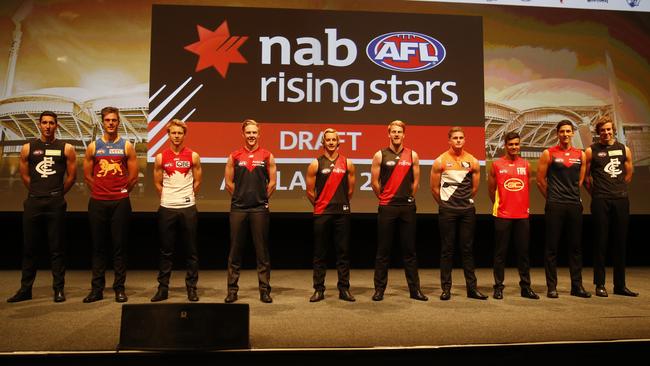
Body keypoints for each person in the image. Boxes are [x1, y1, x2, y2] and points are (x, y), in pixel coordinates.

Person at [7, 111, 77, 303]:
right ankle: (25, 289)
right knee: (29, 248)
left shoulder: (67, 148)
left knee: (57, 248)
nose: (47, 126)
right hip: (34, 202)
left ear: (57, 126)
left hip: (56, 203)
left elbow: (72, 177)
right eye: (44, 123)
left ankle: (58, 290)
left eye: (51, 123)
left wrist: (57, 193)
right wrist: (38, 192)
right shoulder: (28, 148)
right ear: (39, 125)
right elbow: (25, 176)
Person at [82, 106, 138, 303]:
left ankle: (119, 288)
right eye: (108, 120)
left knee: (119, 247)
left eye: (114, 120)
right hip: (97, 202)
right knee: (98, 247)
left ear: (118, 122)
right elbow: (87, 176)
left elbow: (132, 178)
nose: (111, 123)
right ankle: (97, 289)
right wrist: (99, 191)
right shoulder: (93, 147)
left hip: (120, 203)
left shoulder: (127, 146)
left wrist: (120, 192)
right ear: (103, 122)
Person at [370, 120, 427, 302]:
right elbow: (374, 182)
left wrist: (408, 197)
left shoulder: (413, 155)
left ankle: (414, 290)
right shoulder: (380, 155)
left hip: (407, 207)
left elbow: (416, 182)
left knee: (409, 251)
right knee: (383, 251)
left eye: (399, 132)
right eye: (393, 132)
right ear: (389, 134)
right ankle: (379, 290)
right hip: (387, 207)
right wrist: (385, 198)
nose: (396, 135)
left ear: (404, 135)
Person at [431, 126, 487, 301]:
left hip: (466, 212)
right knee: (447, 250)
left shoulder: (473, 161)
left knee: (467, 250)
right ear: (449, 140)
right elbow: (434, 188)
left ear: (464, 140)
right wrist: (446, 204)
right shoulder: (440, 161)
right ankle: (446, 289)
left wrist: (462, 202)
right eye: (455, 138)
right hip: (448, 211)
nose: (458, 140)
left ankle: (472, 289)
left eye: (461, 138)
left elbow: (475, 188)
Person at [224, 119, 276, 304]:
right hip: (238, 208)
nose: (251, 136)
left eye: (254, 132)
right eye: (248, 133)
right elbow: (229, 183)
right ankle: (232, 291)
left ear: (259, 134)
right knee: (235, 252)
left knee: (262, 252)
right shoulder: (234, 156)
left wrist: (261, 199)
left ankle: (264, 290)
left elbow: (272, 183)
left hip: (259, 209)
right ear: (243, 134)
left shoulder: (267, 155)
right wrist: (240, 196)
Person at [536, 120, 590, 298]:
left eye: (568, 131)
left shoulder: (580, 155)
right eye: (562, 132)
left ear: (572, 133)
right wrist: (552, 198)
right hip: (555, 205)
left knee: (575, 247)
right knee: (552, 248)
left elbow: (580, 181)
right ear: (557, 134)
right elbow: (541, 180)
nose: (565, 134)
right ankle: (552, 287)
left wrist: (571, 195)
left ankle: (577, 286)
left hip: (574, 204)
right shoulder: (548, 153)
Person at [585, 118, 638, 297]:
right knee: (600, 242)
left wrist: (618, 188)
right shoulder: (591, 150)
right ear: (598, 132)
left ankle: (620, 285)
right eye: (602, 130)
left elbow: (629, 173)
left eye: (608, 130)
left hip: (621, 200)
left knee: (620, 243)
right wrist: (597, 193)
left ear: (613, 130)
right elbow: (585, 178)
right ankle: (600, 284)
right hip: (600, 200)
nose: (606, 133)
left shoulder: (625, 149)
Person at [150, 119, 202, 302]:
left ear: (184, 134)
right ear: (168, 134)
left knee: (191, 250)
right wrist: (169, 197)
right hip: (167, 208)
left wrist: (186, 196)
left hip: (188, 208)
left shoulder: (193, 156)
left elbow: (197, 181)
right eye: (173, 133)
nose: (177, 136)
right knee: (166, 251)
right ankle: (163, 289)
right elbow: (157, 183)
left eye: (180, 133)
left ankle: (192, 288)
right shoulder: (160, 157)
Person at [305, 128, 356, 302]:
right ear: (323, 143)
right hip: (322, 213)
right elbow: (310, 191)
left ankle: (344, 289)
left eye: (334, 139)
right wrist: (322, 205)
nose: (331, 142)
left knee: (343, 253)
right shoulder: (315, 164)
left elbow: (350, 190)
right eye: (328, 140)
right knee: (320, 253)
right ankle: (319, 289)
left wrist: (339, 203)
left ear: (338, 142)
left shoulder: (347, 163)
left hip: (342, 213)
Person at [487, 131, 538, 300]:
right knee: (500, 253)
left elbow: (527, 189)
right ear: (505, 146)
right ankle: (498, 287)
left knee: (523, 253)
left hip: (522, 215)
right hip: (502, 214)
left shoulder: (526, 165)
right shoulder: (496, 165)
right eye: (511, 144)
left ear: (519, 145)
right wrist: (501, 205)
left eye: (516, 144)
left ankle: (526, 287)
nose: (514, 147)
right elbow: (491, 190)